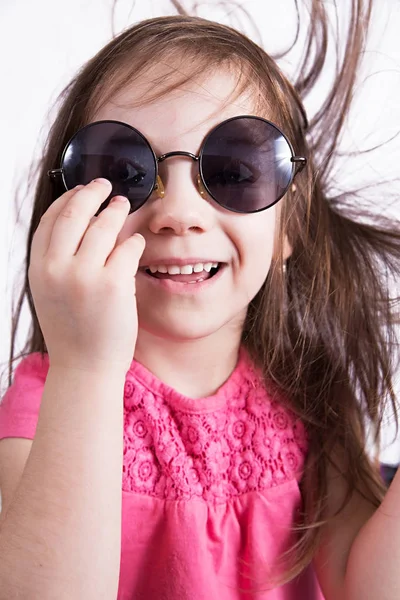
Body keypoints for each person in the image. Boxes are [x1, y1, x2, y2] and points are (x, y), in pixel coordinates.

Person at [0, 2, 399, 599]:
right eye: (125, 174)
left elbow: (367, 587)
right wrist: (86, 368)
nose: (180, 214)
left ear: (290, 226)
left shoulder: (306, 391)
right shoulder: (50, 402)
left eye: (235, 171)